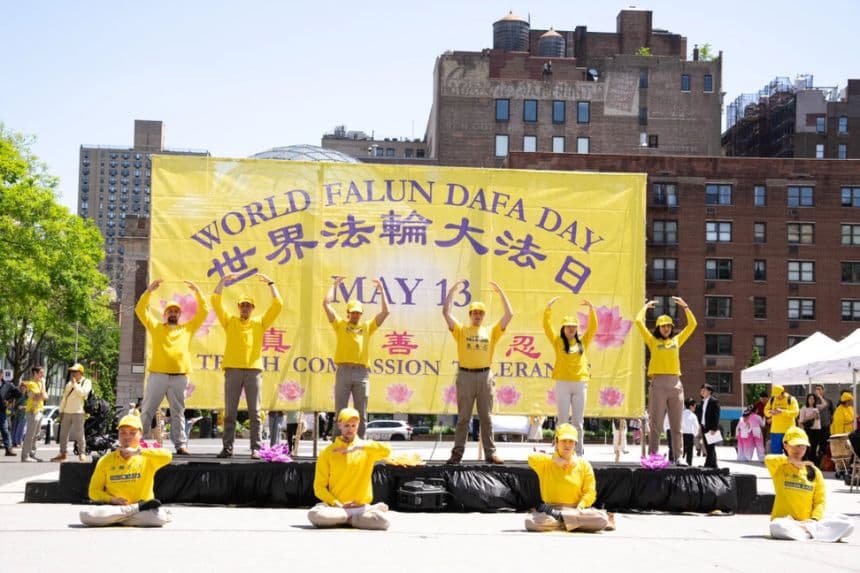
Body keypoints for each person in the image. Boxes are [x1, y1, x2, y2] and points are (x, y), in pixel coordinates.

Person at [212, 272, 283, 459]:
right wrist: (221, 283)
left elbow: (278, 305)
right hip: (233, 370)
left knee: (255, 412)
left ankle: (256, 449)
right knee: (229, 413)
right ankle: (227, 448)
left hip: (253, 370)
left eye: (248, 306)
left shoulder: (259, 323)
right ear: (238, 307)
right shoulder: (230, 321)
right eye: (242, 305)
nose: (245, 308)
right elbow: (215, 302)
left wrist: (271, 282)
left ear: (253, 308)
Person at [443, 280, 513, 465]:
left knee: (486, 418)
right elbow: (446, 313)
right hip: (465, 376)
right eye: (474, 312)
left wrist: (500, 293)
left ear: (484, 316)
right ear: (470, 314)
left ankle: (491, 453)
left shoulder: (490, 331)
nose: (477, 315)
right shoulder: (462, 330)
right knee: (463, 418)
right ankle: (457, 454)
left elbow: (509, 314)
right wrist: (451, 292)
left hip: (485, 376)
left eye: (480, 313)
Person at [135, 279, 208, 455]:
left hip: (180, 376)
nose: (173, 314)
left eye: (176, 311)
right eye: (170, 311)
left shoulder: (187, 328)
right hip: (158, 375)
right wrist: (149, 291)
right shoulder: (156, 327)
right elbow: (139, 310)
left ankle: (180, 445)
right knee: (147, 410)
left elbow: (204, 311)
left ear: (180, 315)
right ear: (165, 314)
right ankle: (138, 442)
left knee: (178, 412)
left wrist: (197, 291)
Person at [323, 277, 389, 439]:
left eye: (358, 312)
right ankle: (337, 444)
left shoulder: (367, 327)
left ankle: (359, 444)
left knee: (361, 413)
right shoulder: (340, 325)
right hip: (344, 371)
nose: (355, 315)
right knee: (340, 411)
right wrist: (334, 286)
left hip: (362, 373)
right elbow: (326, 304)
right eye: (353, 312)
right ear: (348, 313)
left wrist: (382, 290)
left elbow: (386, 312)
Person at [79, 414, 173, 527]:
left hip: (140, 508)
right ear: (118, 435)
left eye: (132, 433)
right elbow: (93, 491)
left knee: (158, 518)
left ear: (141, 435)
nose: (127, 436)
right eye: (122, 432)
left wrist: (138, 452)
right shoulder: (105, 460)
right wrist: (112, 500)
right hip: (120, 508)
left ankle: (116, 519)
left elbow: (168, 456)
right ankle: (130, 512)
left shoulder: (147, 457)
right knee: (86, 515)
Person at [634, 297, 697, 466]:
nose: (666, 328)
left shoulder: (677, 340)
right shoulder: (652, 340)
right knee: (655, 424)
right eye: (663, 326)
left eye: (669, 325)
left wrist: (685, 306)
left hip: (676, 384)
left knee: (677, 424)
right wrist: (645, 307)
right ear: (658, 327)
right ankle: (653, 456)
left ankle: (678, 457)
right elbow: (638, 322)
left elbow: (693, 325)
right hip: (658, 383)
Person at [308, 407, 391, 530]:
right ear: (339, 425)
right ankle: (353, 519)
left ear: (358, 426)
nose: (350, 429)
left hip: (361, 508)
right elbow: (319, 487)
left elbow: (387, 451)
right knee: (314, 515)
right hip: (337, 508)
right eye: (347, 425)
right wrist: (338, 504)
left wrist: (358, 447)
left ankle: (347, 519)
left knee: (383, 522)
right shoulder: (327, 452)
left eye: (354, 425)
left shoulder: (366, 449)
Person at [765, 427, 854, 542]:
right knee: (777, 526)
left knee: (848, 524)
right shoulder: (780, 467)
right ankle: (812, 534)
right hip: (786, 521)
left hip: (809, 523)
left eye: (802, 446)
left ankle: (807, 531)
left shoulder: (815, 472)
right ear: (785, 445)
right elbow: (768, 459)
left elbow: (820, 501)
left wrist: (814, 519)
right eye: (795, 445)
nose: (799, 449)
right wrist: (790, 460)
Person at [525, 423, 612, 532]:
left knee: (601, 519)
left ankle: (561, 520)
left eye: (571, 441)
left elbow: (590, 492)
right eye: (564, 440)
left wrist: (580, 507)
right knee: (530, 522)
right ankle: (572, 523)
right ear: (556, 442)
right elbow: (531, 458)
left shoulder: (584, 464)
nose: (567, 444)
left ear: (575, 444)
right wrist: (555, 459)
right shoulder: (546, 463)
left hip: (576, 510)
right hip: (551, 510)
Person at [544, 297, 597, 457]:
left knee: (578, 423)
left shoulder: (582, 342)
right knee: (562, 421)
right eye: (568, 327)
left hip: (580, 383)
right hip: (563, 384)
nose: (571, 329)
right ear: (563, 328)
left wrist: (591, 309)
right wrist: (548, 308)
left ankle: (579, 453)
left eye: (573, 327)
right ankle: (558, 452)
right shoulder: (557, 341)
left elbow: (593, 328)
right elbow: (547, 327)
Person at [51, 364, 92, 462]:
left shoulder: (86, 382)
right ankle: (63, 453)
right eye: (72, 371)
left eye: (75, 371)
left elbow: (83, 393)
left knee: (79, 434)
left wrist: (75, 384)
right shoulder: (69, 384)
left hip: (78, 411)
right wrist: (61, 411)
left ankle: (82, 453)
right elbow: (64, 398)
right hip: (67, 412)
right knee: (63, 434)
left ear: (81, 373)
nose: (73, 373)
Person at [20, 366, 47, 462]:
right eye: (41, 373)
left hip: (39, 410)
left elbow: (44, 396)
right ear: (35, 373)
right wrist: (43, 385)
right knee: (30, 434)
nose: (43, 375)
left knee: (36, 435)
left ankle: (32, 454)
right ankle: (25, 456)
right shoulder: (31, 384)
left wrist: (42, 393)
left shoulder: (40, 383)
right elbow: (39, 396)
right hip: (33, 411)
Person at [764, 385, 799, 454]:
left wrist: (782, 411)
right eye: (775, 395)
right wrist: (771, 412)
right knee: (776, 453)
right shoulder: (772, 399)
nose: (776, 397)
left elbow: (795, 413)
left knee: (790, 453)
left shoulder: (791, 399)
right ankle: (778, 464)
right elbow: (765, 411)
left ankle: (790, 464)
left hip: (789, 431)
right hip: (775, 431)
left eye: (778, 395)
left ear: (783, 393)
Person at [695, 383, 721, 469]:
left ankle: (708, 465)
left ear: (709, 391)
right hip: (703, 427)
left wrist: (714, 428)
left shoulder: (714, 401)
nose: (702, 392)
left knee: (710, 447)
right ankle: (714, 465)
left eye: (704, 390)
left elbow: (716, 416)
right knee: (708, 447)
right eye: (701, 390)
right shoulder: (702, 402)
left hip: (711, 428)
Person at [798, 393, 822, 465]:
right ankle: (806, 460)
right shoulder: (804, 408)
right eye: (810, 398)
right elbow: (801, 420)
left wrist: (817, 415)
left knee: (815, 446)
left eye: (813, 399)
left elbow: (818, 420)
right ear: (807, 399)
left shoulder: (816, 408)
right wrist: (811, 416)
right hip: (808, 429)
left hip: (817, 428)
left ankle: (814, 461)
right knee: (808, 445)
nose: (812, 400)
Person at [814, 384, 833, 462]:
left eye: (820, 389)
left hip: (825, 426)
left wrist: (830, 423)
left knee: (824, 445)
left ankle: (824, 462)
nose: (818, 391)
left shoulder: (828, 401)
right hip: (815, 427)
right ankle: (816, 461)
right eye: (816, 389)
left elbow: (832, 413)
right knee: (814, 444)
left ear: (823, 390)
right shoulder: (813, 401)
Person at [681, 398, 699, 467]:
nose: (695, 408)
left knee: (682, 451)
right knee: (689, 452)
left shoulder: (680, 414)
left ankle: (680, 463)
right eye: (694, 406)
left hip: (681, 435)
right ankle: (689, 464)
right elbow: (696, 426)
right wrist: (695, 433)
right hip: (690, 436)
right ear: (691, 406)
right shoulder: (693, 415)